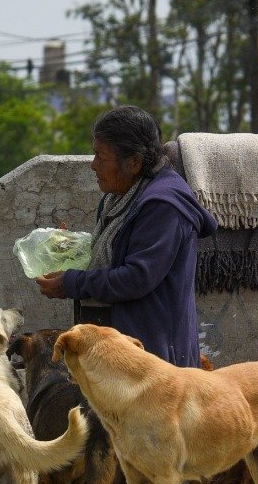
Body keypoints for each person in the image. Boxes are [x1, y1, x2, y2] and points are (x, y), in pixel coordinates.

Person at [35, 105, 218, 367]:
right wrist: (71, 248)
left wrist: (70, 283)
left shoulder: (162, 206)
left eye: (101, 156)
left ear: (133, 162)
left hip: (152, 358)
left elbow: (136, 277)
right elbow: (115, 252)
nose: (93, 165)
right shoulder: (119, 197)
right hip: (120, 350)